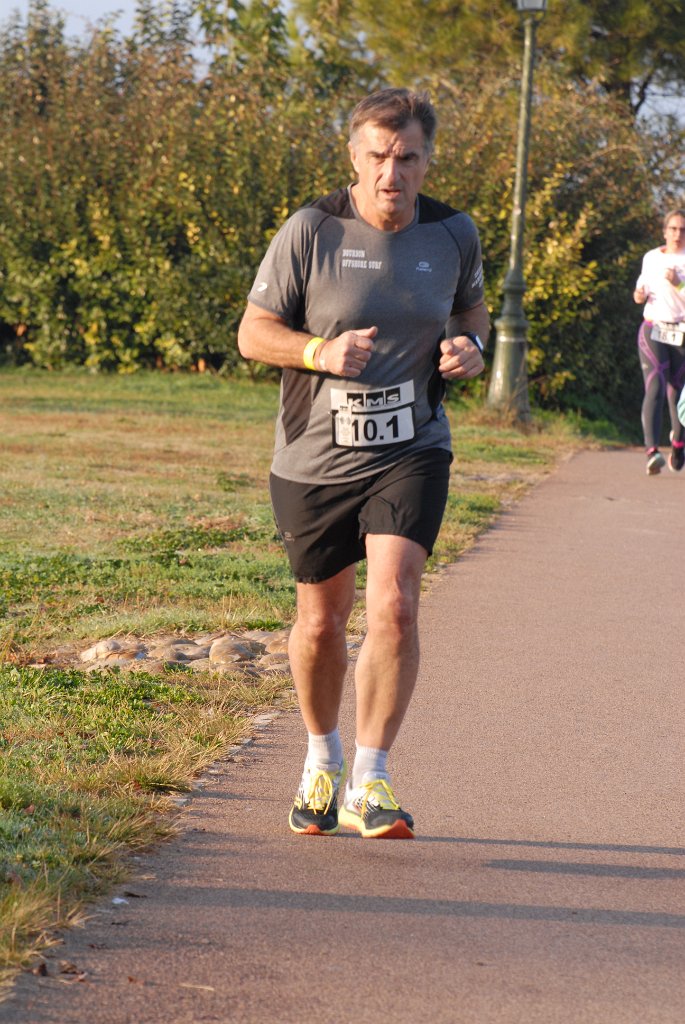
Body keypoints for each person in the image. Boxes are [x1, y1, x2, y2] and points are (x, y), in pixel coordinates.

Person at [237, 88, 488, 839]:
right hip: (314, 455)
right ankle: (322, 759)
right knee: (321, 623)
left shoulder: (453, 233)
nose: (391, 173)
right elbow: (253, 332)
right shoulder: (311, 230)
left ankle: (370, 780)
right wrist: (319, 351)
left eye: (406, 157)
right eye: (378, 156)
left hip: (412, 446)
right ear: (354, 157)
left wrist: (471, 347)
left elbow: (471, 311)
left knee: (397, 605)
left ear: (426, 160)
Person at [633, 208, 685, 475]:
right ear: (665, 232)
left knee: (679, 395)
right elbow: (639, 292)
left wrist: (678, 283)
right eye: (673, 229)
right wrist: (639, 294)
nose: (677, 234)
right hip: (653, 329)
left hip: (682, 333)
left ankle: (678, 443)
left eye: (682, 230)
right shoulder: (651, 257)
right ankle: (652, 452)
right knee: (655, 385)